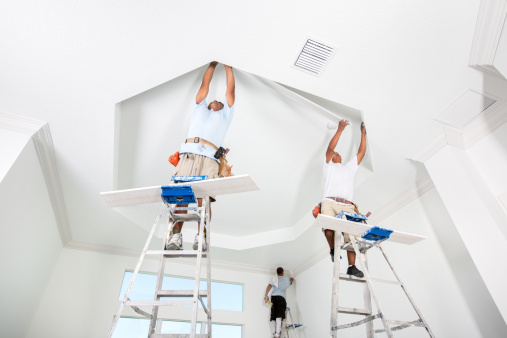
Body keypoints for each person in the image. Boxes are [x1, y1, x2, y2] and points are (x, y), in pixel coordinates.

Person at [166, 61, 235, 251]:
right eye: (212, 100)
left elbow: (230, 92)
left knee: (202, 200)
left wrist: (228, 69)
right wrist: (212, 65)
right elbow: (204, 86)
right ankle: (175, 237)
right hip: (188, 155)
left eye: (219, 101)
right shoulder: (199, 109)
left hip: (210, 159)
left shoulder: (225, 115)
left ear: (222, 106)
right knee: (180, 197)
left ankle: (201, 237)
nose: (215, 100)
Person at [321, 119, 367, 278]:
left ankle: (352, 267)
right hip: (330, 201)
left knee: (351, 237)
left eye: (337, 153)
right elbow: (330, 148)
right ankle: (333, 249)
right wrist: (340, 129)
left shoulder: (349, 168)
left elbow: (361, 152)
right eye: (334, 153)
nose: (336, 153)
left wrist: (363, 133)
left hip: (347, 206)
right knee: (328, 229)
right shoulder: (328, 167)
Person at [264, 267, 294, 338]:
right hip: (281, 298)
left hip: (273, 298)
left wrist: (266, 295)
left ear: (277, 273)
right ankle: (277, 333)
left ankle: (274, 333)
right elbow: (290, 283)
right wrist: (291, 279)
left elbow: (269, 286)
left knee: (274, 315)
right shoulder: (285, 279)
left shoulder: (274, 279)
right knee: (279, 315)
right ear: (283, 272)